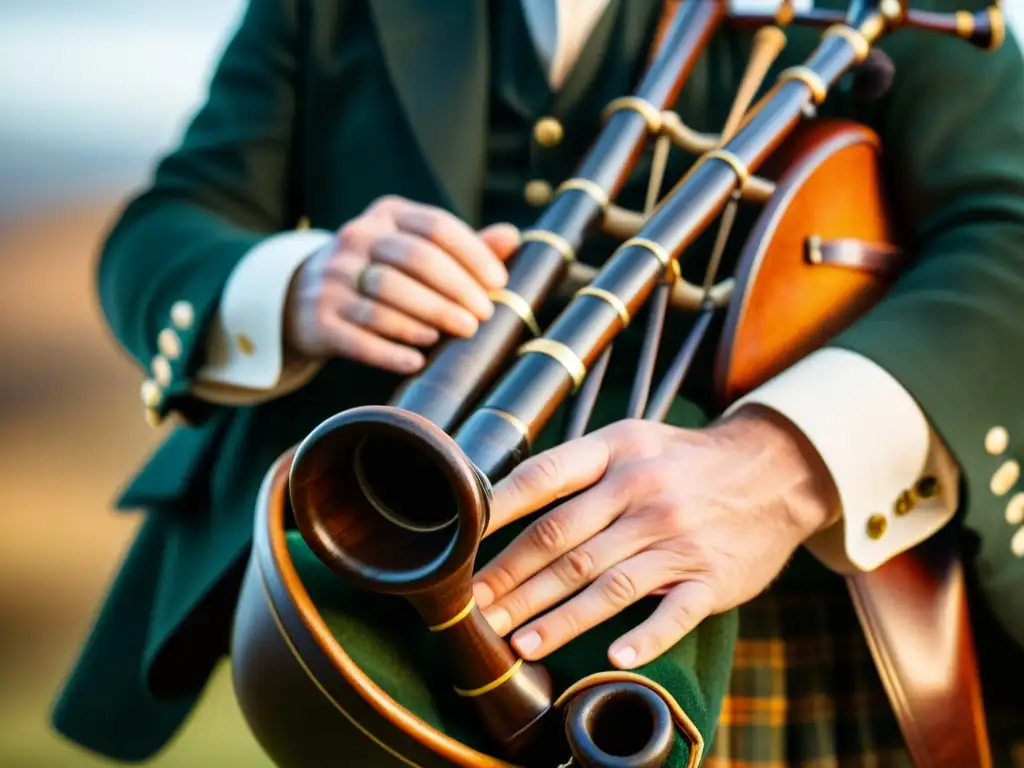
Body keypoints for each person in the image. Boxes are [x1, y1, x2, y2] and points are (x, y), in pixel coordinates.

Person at [53, 0, 1024, 765]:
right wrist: (303, 283)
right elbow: (170, 224)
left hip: (772, 620)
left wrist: (780, 468)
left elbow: (1008, 232)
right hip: (380, 606)